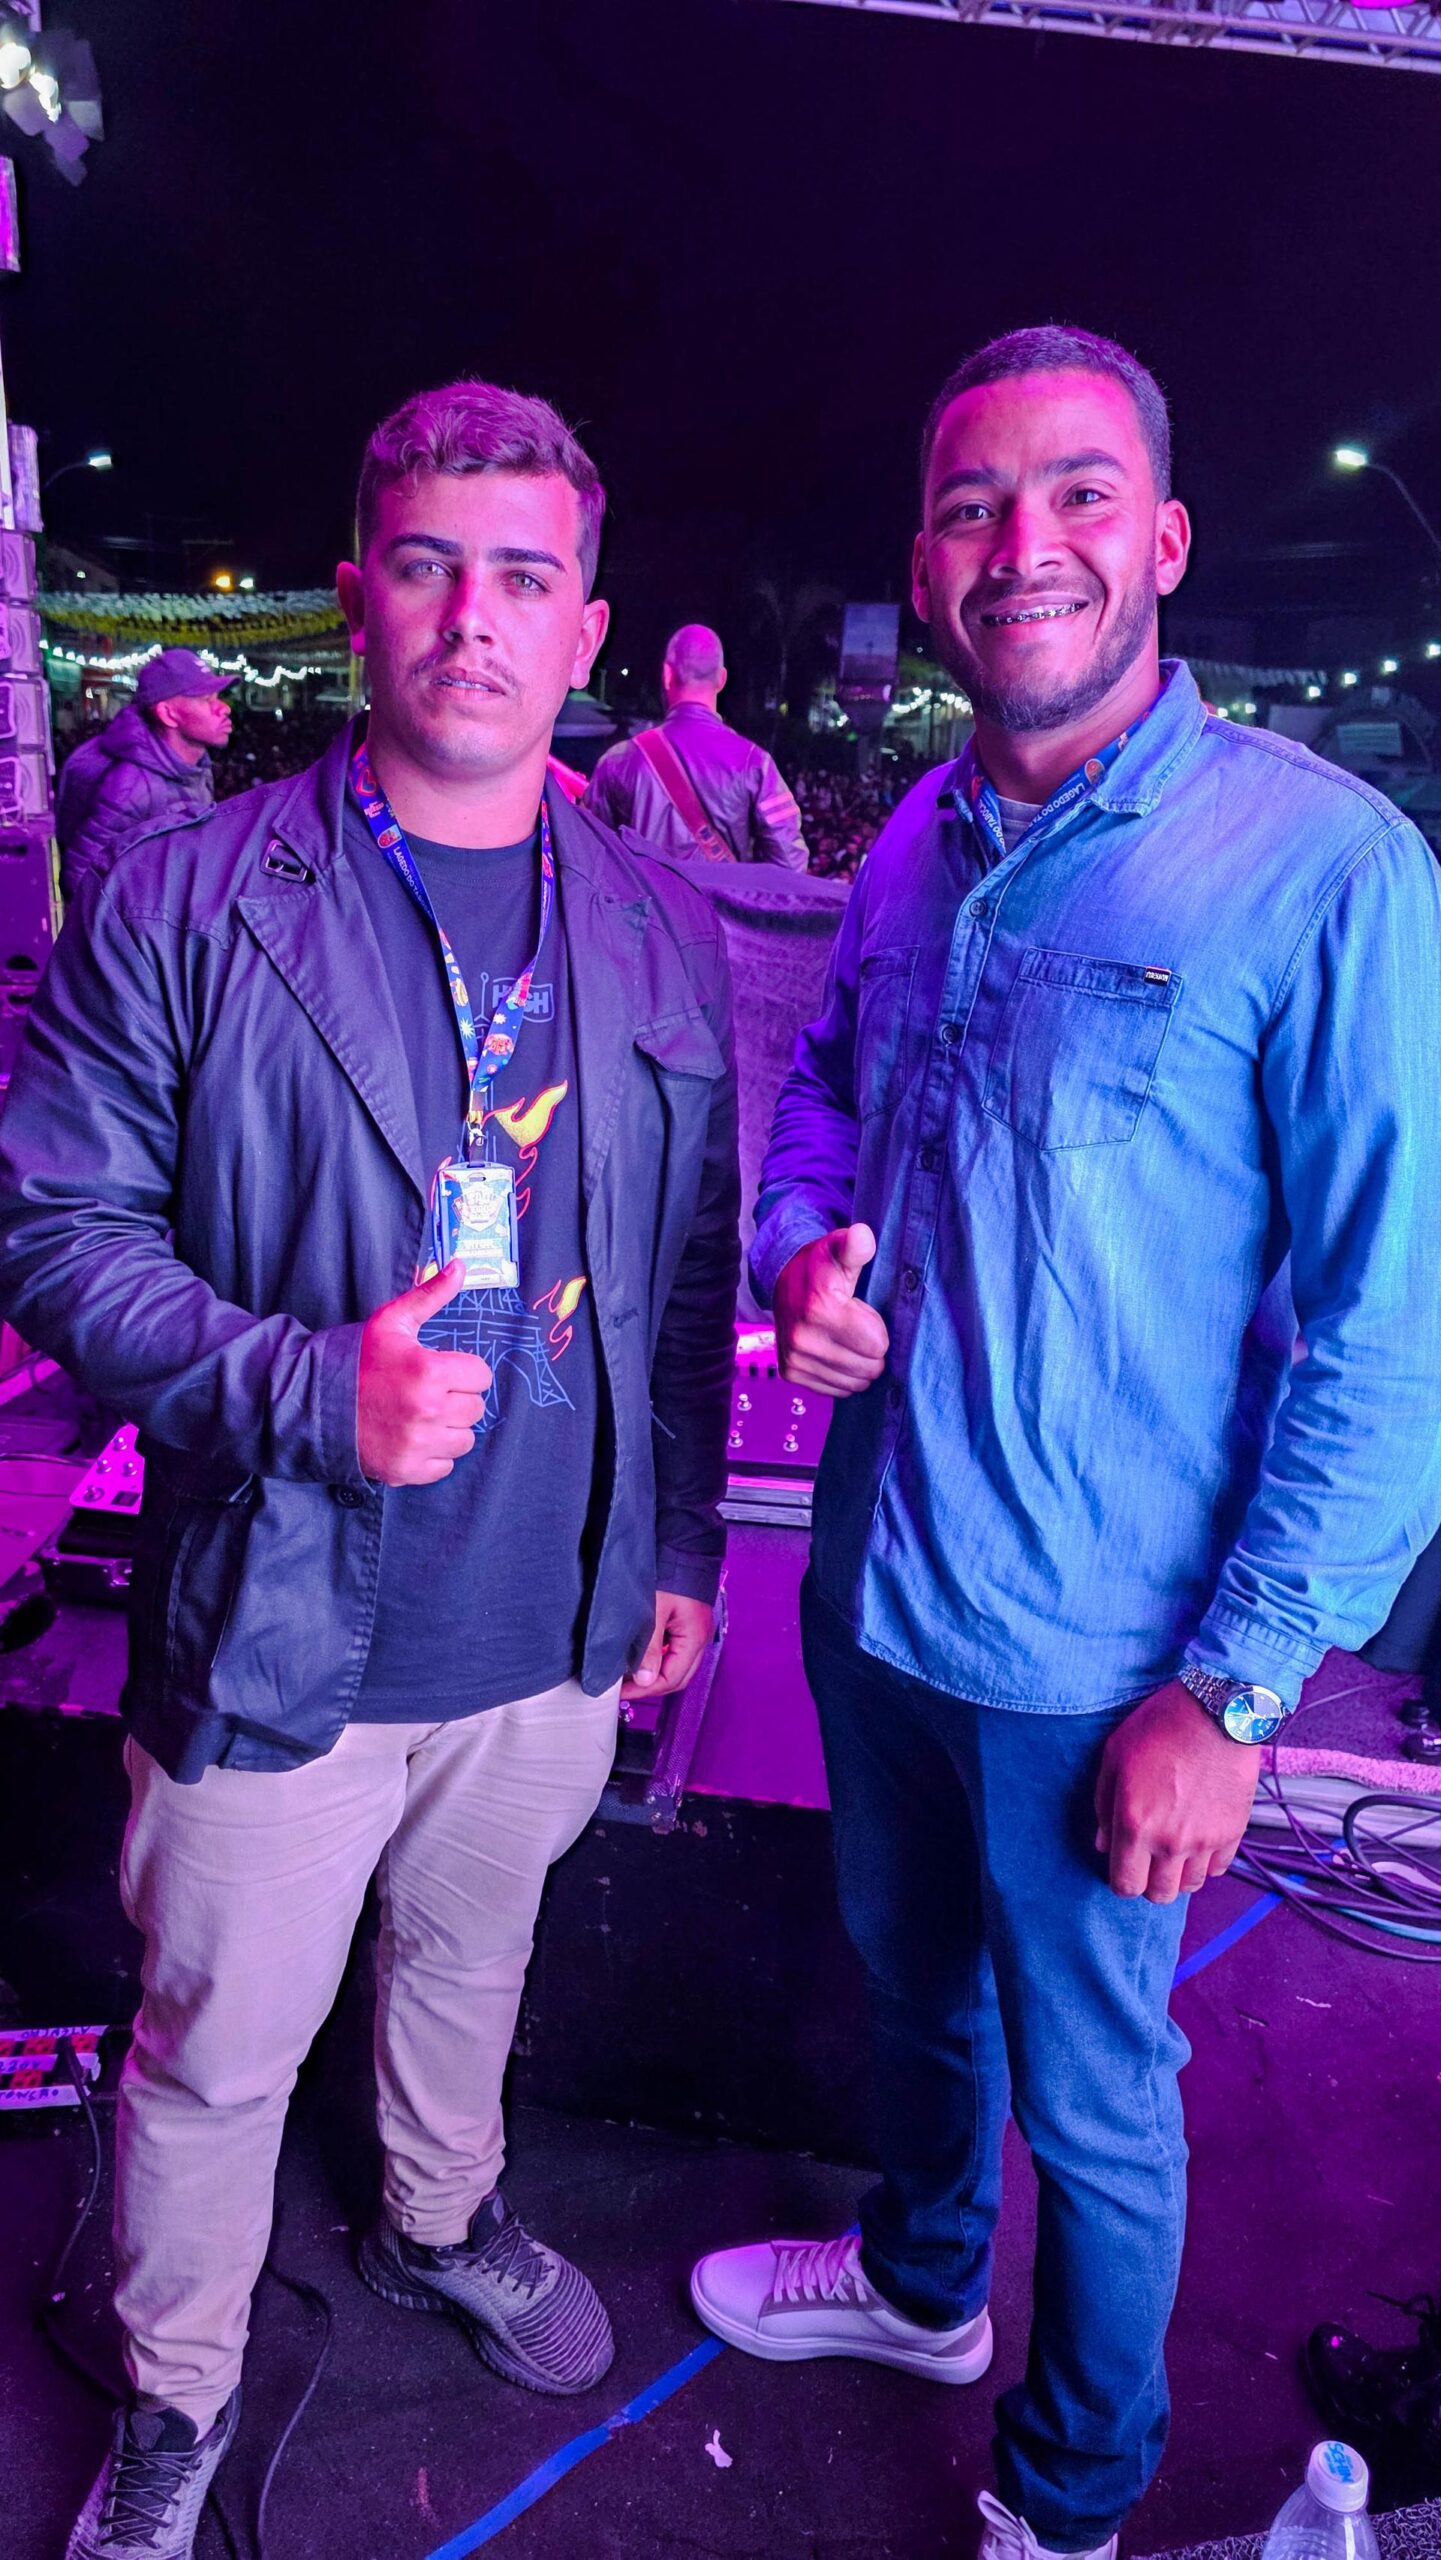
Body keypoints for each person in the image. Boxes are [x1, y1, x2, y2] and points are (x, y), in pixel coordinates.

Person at [689, 326, 1441, 2560]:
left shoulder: (1317, 867)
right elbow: (826, 1080)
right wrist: (806, 1242)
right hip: (878, 1585)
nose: (1024, 543)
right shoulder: (920, 839)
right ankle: (923, 2287)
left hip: (1104, 1652)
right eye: (972, 504)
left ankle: (1066, 2494)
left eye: (1078, 493)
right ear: (925, 564)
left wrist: (1235, 1693)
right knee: (911, 1987)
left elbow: (1396, 1332)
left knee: (1101, 2103)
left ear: (1166, 539)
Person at [0, 379, 739, 2560]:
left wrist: (680, 1537)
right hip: (279, 1610)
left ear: (587, 628)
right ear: (357, 596)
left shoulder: (656, 923)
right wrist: (306, 1390)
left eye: (522, 577)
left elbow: (687, 1262)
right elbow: (50, 1225)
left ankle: (436, 2211)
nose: (472, 618)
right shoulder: (188, 894)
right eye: (428, 565)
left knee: (468, 1963)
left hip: (551, 1612)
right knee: (214, 2051)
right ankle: (175, 2387)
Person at [585, 621, 808, 868]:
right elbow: (790, 863)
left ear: (667, 674)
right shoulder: (755, 762)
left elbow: (590, 855)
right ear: (721, 679)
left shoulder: (619, 760)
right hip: (721, 895)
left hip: (644, 894)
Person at [55, 647, 234, 901]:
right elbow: (81, 879)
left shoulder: (196, 765)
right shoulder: (131, 787)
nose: (223, 708)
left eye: (218, 697)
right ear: (168, 714)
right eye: (207, 699)